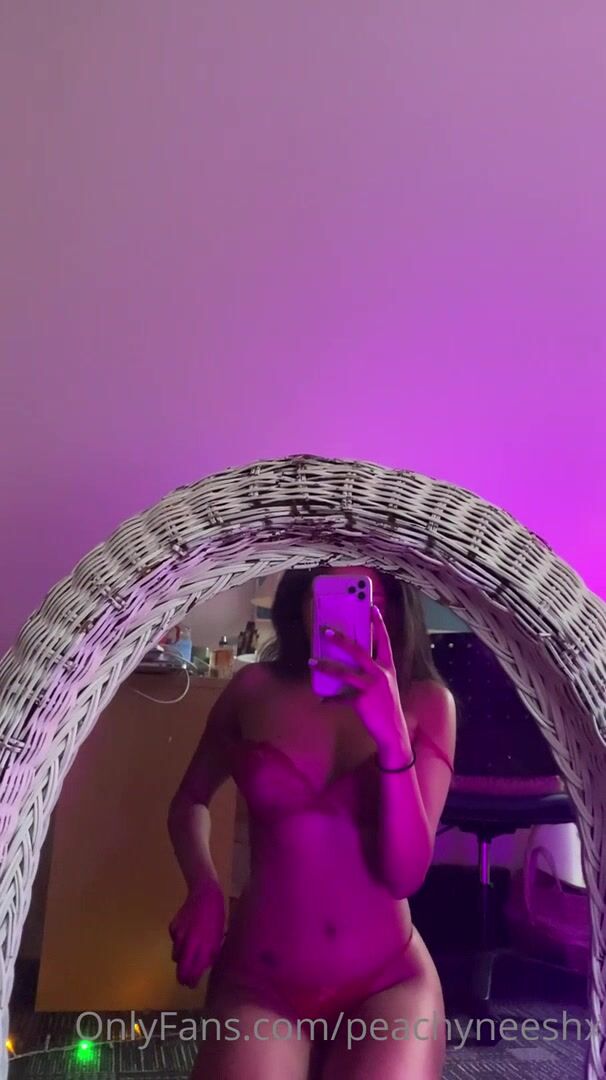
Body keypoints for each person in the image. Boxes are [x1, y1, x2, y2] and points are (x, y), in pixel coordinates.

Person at [167, 566, 456, 1079]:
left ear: (395, 611)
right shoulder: (252, 690)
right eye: (327, 594)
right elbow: (191, 799)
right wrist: (204, 888)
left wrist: (391, 738)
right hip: (262, 982)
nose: (345, 615)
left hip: (387, 981)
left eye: (367, 598)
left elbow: (405, 876)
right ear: (300, 601)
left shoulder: (427, 704)